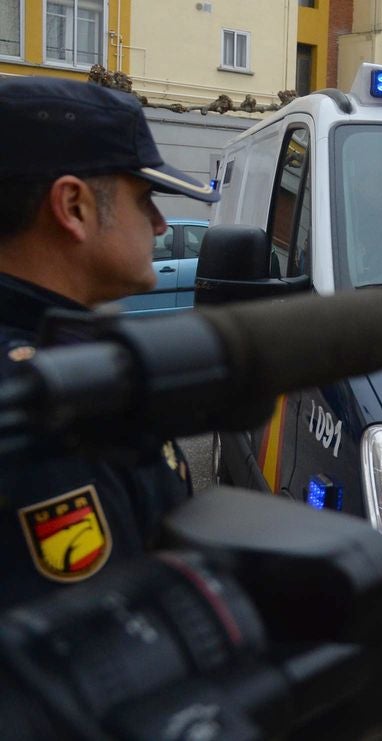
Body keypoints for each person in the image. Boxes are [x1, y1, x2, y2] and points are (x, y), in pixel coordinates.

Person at [0, 76, 219, 608]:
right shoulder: (50, 409)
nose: (162, 223)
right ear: (73, 206)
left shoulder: (61, 360)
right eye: (145, 199)